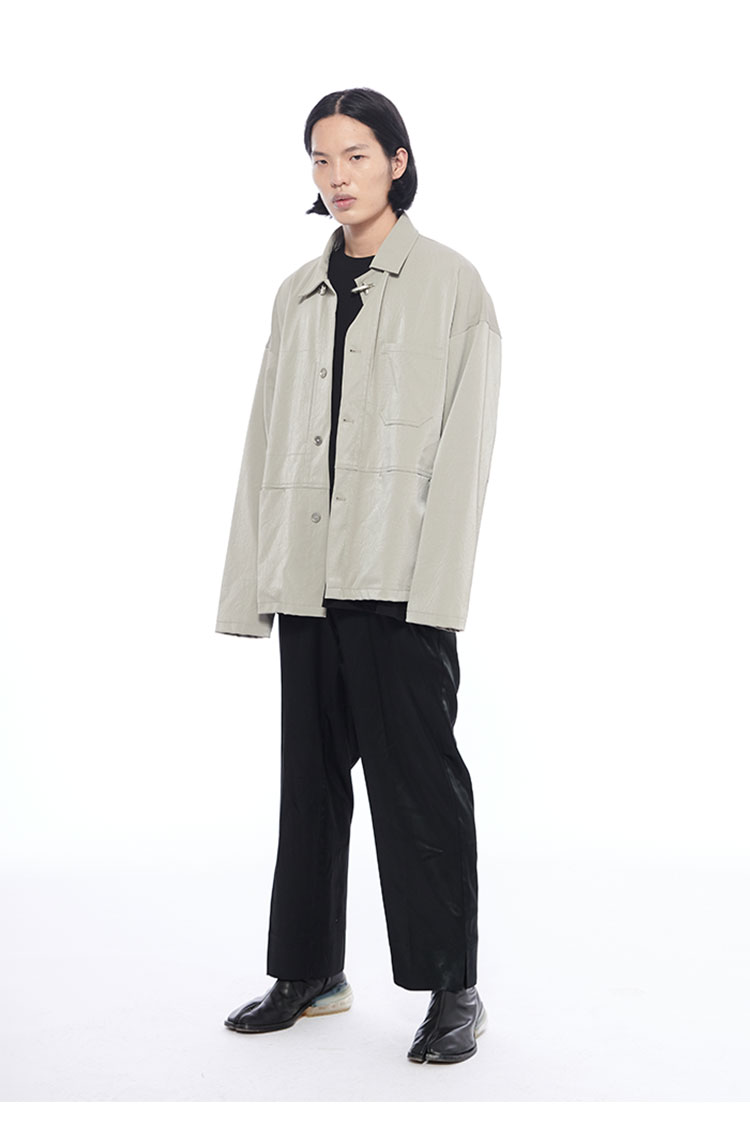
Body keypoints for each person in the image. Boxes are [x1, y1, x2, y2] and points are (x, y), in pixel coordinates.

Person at [215, 87, 502, 1065]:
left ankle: (454, 989)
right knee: (308, 786)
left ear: (398, 161)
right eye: (321, 158)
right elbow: (264, 442)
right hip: (307, 576)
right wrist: (250, 583)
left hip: (398, 583)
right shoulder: (296, 294)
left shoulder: (452, 286)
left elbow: (465, 455)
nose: (336, 176)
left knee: (419, 791)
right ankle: (308, 972)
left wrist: (439, 595)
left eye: (356, 156)